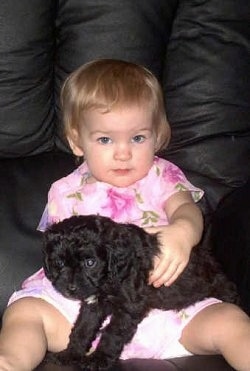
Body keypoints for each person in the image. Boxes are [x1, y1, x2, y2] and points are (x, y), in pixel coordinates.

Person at [0, 59, 250, 371]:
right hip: (81, 310)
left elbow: (186, 208)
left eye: (138, 138)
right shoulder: (64, 191)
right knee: (26, 312)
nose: (123, 152)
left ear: (157, 135)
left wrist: (183, 231)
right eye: (105, 139)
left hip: (170, 312)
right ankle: (9, 362)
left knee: (231, 321)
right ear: (77, 140)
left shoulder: (162, 175)